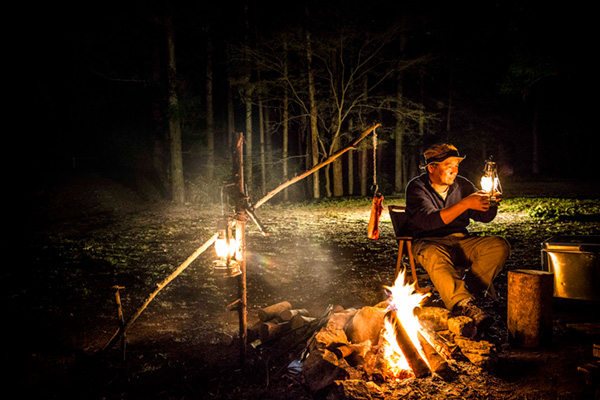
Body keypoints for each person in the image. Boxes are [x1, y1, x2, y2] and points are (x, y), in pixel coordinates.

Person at [405, 143, 510, 331]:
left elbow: (483, 217)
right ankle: (464, 305)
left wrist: (490, 203)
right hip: (429, 241)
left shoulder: (462, 184)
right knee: (434, 255)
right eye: (448, 165)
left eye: (456, 165)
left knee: (498, 245)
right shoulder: (417, 187)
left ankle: (473, 290)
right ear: (432, 167)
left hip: (461, 240)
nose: (454, 170)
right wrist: (465, 204)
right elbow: (429, 222)